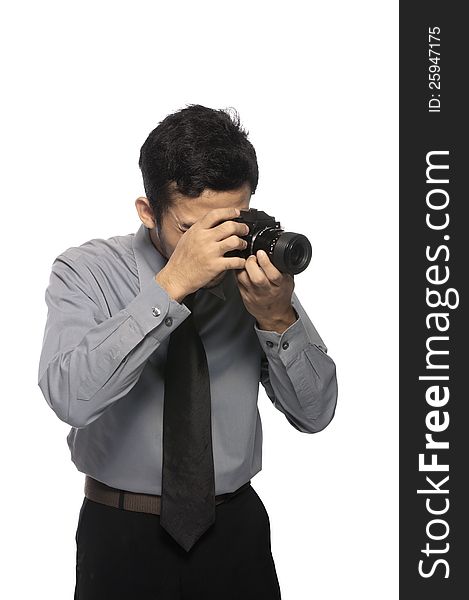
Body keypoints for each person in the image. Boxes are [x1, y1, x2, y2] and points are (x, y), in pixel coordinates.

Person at [37, 104, 338, 599]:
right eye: (190, 230)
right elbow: (70, 397)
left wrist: (277, 318)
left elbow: (316, 413)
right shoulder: (85, 271)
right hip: (121, 533)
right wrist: (172, 285)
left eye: (230, 225)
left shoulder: (254, 279)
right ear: (147, 210)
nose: (214, 246)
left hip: (235, 532)